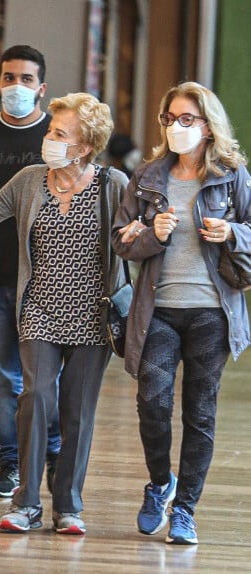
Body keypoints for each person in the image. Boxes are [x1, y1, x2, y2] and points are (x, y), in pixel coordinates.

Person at [0, 93, 128, 534]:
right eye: (50, 131)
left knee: (77, 411)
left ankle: (68, 505)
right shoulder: (30, 179)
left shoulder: (113, 184)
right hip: (40, 310)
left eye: (59, 133)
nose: (49, 138)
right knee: (35, 398)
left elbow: (132, 238)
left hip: (93, 315)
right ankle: (26, 503)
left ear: (84, 145)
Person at [112, 81, 251, 545]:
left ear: (208, 126)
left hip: (212, 311)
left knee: (200, 412)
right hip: (159, 311)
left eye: (186, 119)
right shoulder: (148, 176)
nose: (176, 127)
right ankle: (159, 483)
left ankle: (186, 509)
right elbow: (121, 240)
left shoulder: (233, 175)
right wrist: (153, 232)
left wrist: (231, 232)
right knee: (151, 401)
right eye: (170, 119)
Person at [0, 45, 61, 498]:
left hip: (47, 279)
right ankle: (9, 463)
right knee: (2, 376)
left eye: (26, 79)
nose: (16, 87)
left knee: (45, 376)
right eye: (9, 78)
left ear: (42, 88)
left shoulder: (58, 137)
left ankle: (55, 454)